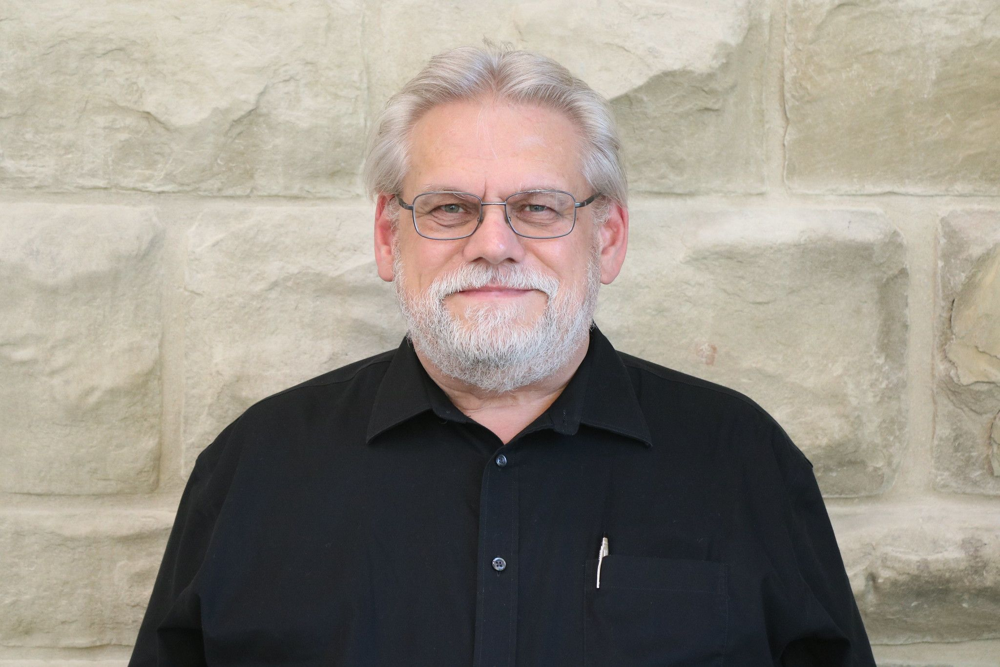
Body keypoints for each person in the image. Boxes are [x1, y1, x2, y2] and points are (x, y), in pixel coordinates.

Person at [128, 43, 877, 666]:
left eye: (538, 208)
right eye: (450, 208)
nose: (493, 244)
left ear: (607, 238)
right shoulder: (257, 467)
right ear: (390, 237)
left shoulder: (741, 460)